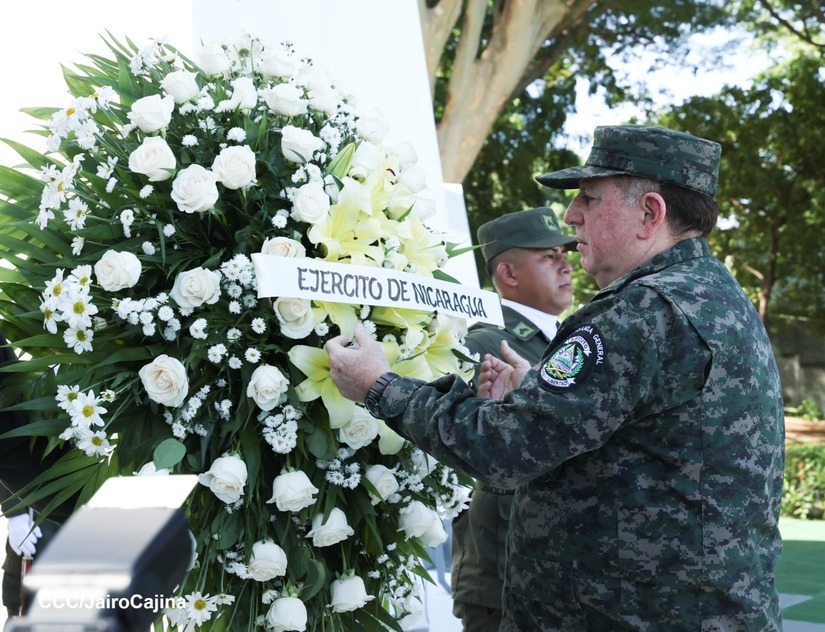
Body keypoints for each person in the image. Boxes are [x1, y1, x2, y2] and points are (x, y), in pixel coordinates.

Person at [325, 125, 785, 631]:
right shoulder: (713, 297)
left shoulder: (640, 312)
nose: (571, 216)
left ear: (650, 214)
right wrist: (536, 392)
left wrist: (380, 386)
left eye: (589, 198)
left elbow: (502, 450)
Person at [450, 207, 575, 632]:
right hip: (502, 573)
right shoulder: (484, 343)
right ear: (508, 272)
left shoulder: (568, 339)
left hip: (557, 574)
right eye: (548, 257)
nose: (565, 264)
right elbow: (466, 444)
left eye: (564, 253)